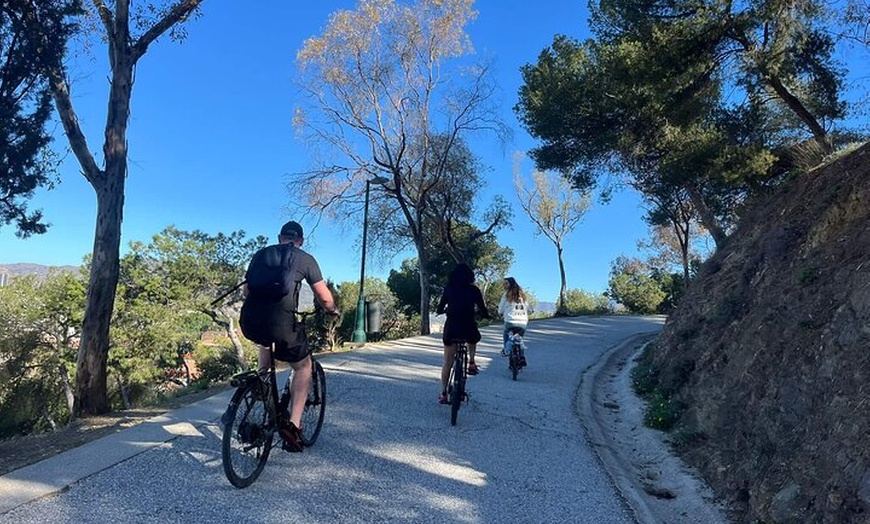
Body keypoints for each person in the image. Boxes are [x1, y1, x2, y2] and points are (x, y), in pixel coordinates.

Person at [239, 220, 338, 452]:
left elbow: (246, 290)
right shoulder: (305, 259)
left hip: (251, 320)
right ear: (300, 241)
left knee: (265, 341)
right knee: (303, 367)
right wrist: (332, 310)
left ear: (279, 237)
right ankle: (293, 427)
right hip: (283, 323)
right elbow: (324, 298)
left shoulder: (260, 255)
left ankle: (261, 384)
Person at [435, 263, 490, 404]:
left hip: (452, 327)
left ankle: (443, 393)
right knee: (472, 337)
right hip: (468, 326)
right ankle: (471, 362)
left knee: (447, 362)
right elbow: (483, 308)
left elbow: (440, 307)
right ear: (470, 277)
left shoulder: (449, 289)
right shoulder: (474, 290)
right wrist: (484, 315)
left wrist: (442, 310)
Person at [498, 277, 529, 365]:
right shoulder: (522, 295)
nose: (504, 285)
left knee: (506, 333)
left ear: (511, 284)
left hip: (510, 321)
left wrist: (500, 312)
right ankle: (522, 357)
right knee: (519, 338)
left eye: (506, 283)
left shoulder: (506, 295)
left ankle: (506, 350)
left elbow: (500, 309)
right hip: (523, 322)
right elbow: (528, 307)